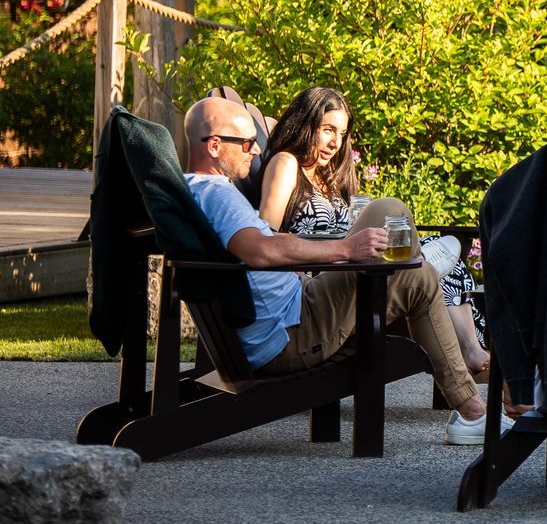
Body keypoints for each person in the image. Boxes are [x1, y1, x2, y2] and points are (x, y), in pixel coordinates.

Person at [179, 95, 497, 445]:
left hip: (297, 308)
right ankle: (422, 263)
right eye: (247, 143)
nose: (256, 152)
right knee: (391, 213)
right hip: (291, 333)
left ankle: (472, 411)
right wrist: (345, 248)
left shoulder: (203, 192)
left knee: (418, 279)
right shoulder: (216, 194)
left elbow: (260, 247)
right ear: (213, 145)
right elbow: (259, 250)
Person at [256, 86, 489, 380]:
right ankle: (422, 264)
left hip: (354, 262)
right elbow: (265, 234)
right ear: (306, 124)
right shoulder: (286, 164)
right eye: (327, 130)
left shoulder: (329, 175)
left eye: (341, 134)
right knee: (396, 218)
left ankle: (470, 349)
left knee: (443, 263)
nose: (335, 143)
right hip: (327, 273)